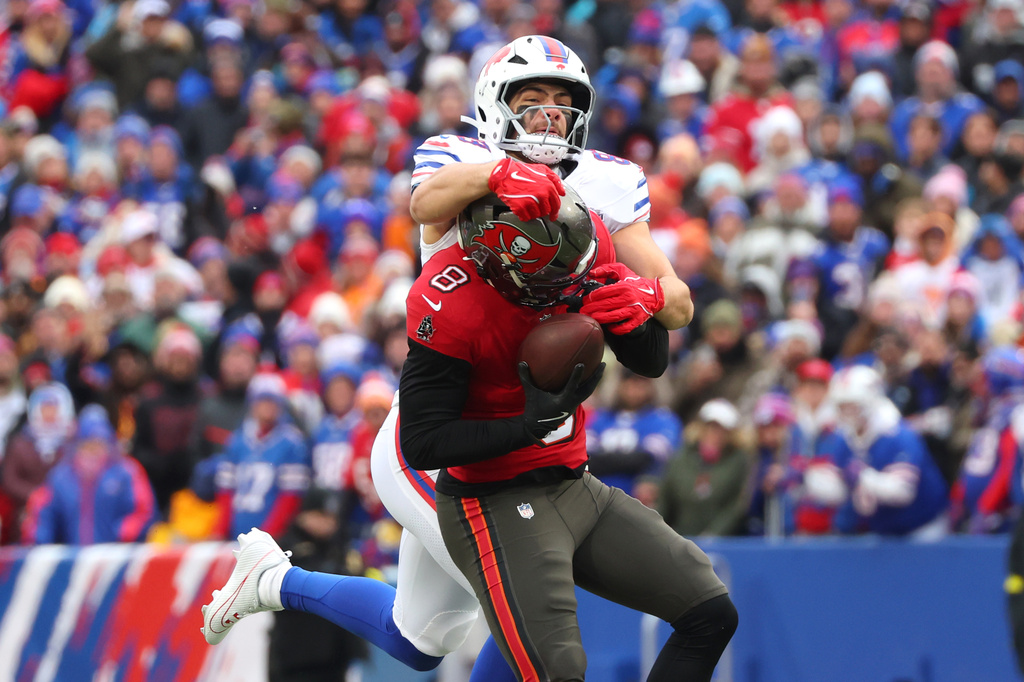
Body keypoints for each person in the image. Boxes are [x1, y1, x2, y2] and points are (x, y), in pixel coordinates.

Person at [203, 35, 729, 682]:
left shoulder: (606, 181)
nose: (547, 117)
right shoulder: (458, 158)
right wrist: (498, 174)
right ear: (493, 105)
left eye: (562, 104)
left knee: (418, 639)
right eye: (530, 100)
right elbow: (425, 205)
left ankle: (275, 581)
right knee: (526, 619)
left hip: (541, 435)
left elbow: (676, 302)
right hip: (451, 432)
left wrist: (647, 294)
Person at [803, 365, 949, 538]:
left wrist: (862, 477)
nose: (847, 412)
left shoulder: (897, 435)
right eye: (842, 406)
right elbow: (839, 493)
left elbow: (902, 491)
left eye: (853, 405)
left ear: (870, 401)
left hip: (922, 524)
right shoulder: (844, 438)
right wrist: (811, 478)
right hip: (885, 529)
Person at [21, 404, 156, 545]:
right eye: (87, 445)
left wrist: (122, 533)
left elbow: (145, 510)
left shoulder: (126, 472)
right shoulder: (62, 476)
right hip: (75, 558)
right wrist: (41, 541)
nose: (93, 451)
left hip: (116, 556)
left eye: (99, 444)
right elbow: (44, 514)